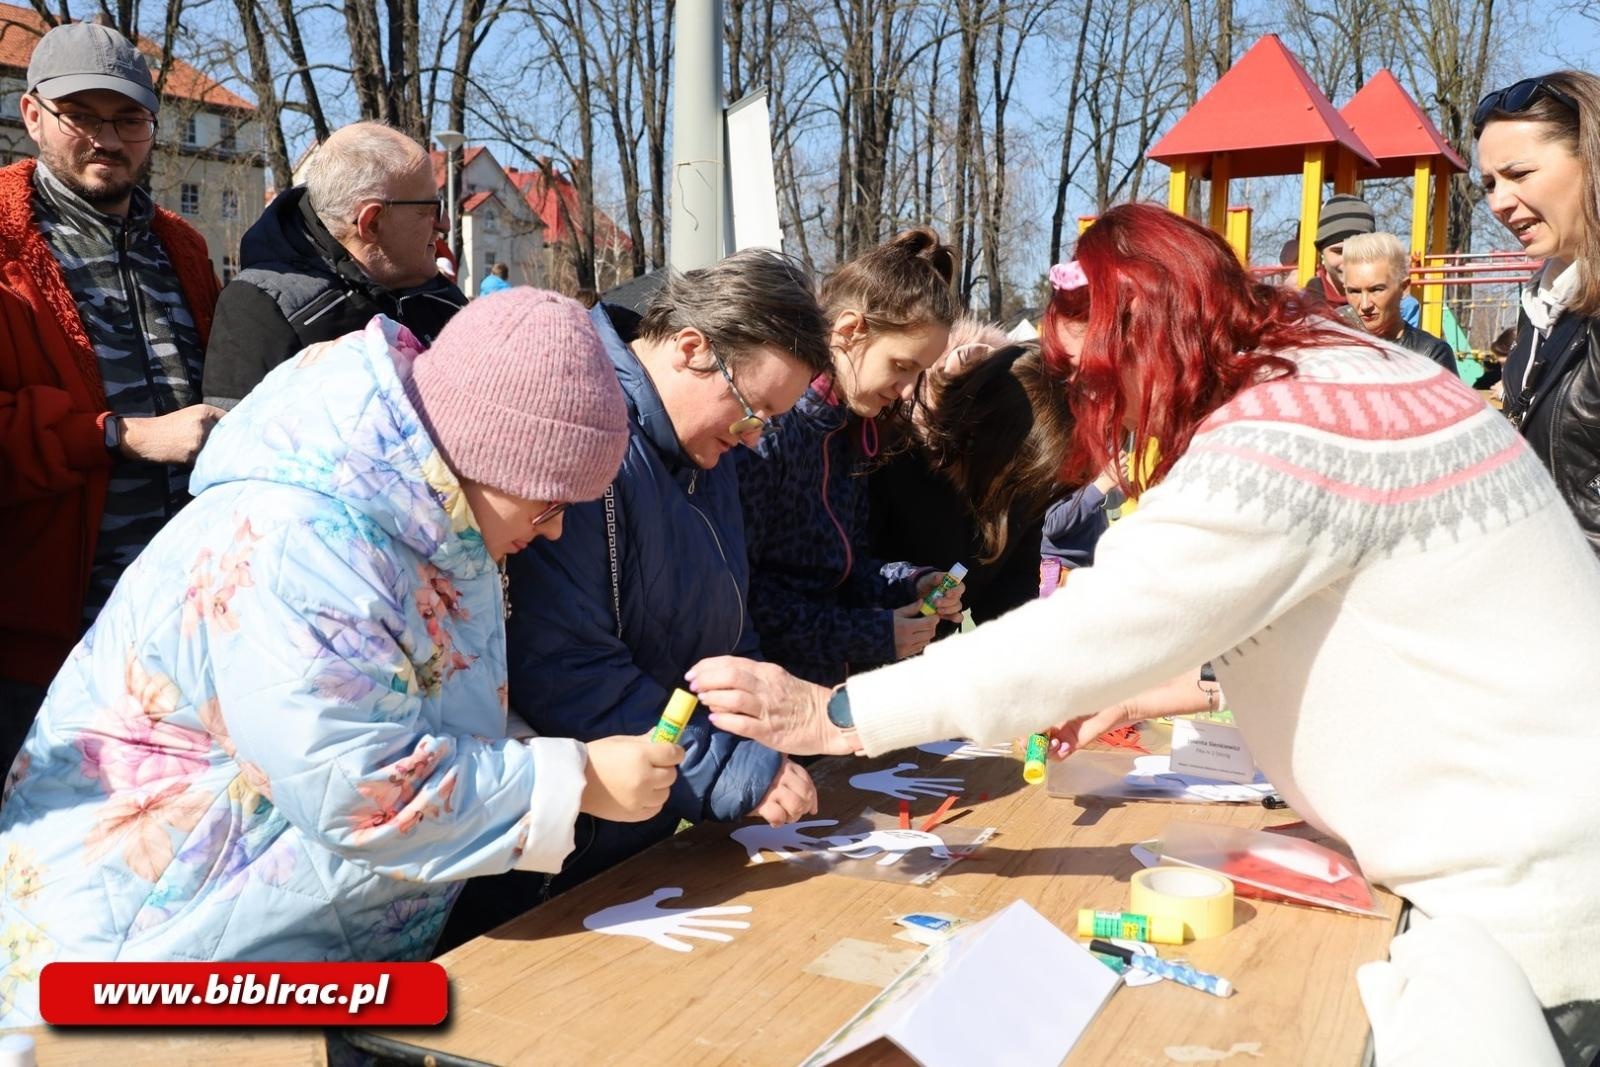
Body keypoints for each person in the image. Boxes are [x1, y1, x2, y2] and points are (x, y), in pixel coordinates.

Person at [690, 204, 1600, 1065]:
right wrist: (1123, 685)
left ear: (1154, 344)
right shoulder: (1338, 372)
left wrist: (837, 712)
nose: (1090, 408)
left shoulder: (1281, 435)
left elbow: (1088, 629)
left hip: (1525, 902)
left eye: (1092, 380)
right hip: (1511, 863)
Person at [0, 289, 683, 1027]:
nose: (554, 532)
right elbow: (353, 782)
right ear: (485, 454)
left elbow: (415, 695)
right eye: (550, 504)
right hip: (144, 963)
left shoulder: (419, 523)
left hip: (244, 942)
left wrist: (527, 750)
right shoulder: (304, 542)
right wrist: (572, 781)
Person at [435, 251, 834, 946]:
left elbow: (724, 629)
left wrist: (758, 723)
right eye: (752, 411)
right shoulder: (592, 436)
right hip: (546, 860)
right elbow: (562, 665)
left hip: (630, 834)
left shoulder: (703, 452)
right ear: (692, 349)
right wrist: (733, 768)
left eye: (768, 420)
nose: (753, 439)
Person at [0, 21, 222, 777]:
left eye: (128, 119)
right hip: (42, 645)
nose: (107, 139)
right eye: (81, 116)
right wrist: (119, 435)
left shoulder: (183, 248)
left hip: (179, 632)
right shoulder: (6, 244)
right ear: (33, 115)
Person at [735, 229, 966, 687]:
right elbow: (743, 598)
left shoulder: (851, 430)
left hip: (820, 693)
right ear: (848, 331)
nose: (907, 391)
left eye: (918, 373)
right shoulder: (772, 429)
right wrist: (870, 634)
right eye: (901, 366)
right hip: (762, 695)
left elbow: (846, 567)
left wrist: (913, 581)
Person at [201, 121, 468, 409]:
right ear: (371, 223)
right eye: (431, 208)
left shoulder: (438, 295)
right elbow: (232, 433)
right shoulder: (260, 307)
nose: (444, 224)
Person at [869, 315, 1077, 623]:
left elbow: (1013, 577)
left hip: (934, 641)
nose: (1023, 490)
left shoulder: (1025, 476)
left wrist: (1015, 635)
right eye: (1016, 473)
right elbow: (850, 567)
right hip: (872, 634)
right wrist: (904, 598)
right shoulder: (896, 449)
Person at [1477, 71, 1600, 553]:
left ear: (1590, 160)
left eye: (1519, 174)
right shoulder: (1541, 305)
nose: (1498, 203)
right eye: (1489, 184)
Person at [1340, 232, 1459, 375]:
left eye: (1376, 290)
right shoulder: (1334, 347)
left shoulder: (1430, 354)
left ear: (1403, 287)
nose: (1365, 305)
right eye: (1354, 291)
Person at [1302, 194, 1374, 328]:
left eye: (1358, 250)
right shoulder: (1300, 310)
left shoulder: (1392, 307)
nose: (1348, 261)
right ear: (1321, 253)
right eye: (1339, 251)